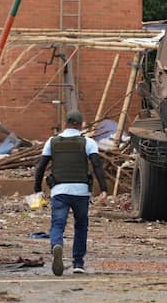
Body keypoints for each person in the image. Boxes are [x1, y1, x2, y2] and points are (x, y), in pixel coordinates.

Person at [33, 110, 108, 276]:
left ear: (65, 123)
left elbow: (40, 168)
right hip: (81, 192)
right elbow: (97, 165)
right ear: (80, 125)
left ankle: (56, 245)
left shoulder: (51, 142)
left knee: (58, 224)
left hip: (59, 191)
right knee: (81, 227)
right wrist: (104, 189)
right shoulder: (88, 142)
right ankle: (78, 263)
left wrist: (37, 190)